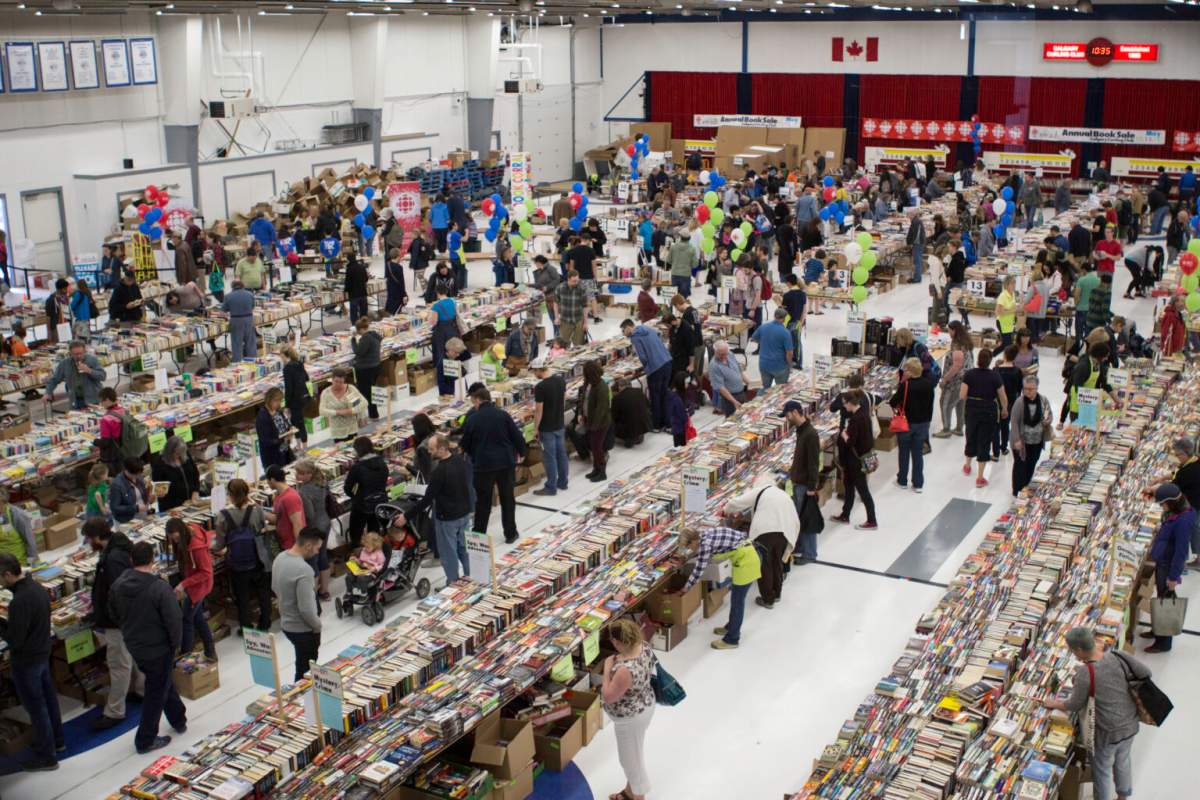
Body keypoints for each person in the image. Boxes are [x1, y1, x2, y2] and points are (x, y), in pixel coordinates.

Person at [1042, 627, 1151, 800]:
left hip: (1106, 732)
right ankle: (1123, 796)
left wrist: (1052, 703)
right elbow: (1146, 673)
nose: (1073, 654)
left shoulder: (1086, 672)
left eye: (1072, 651)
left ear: (1079, 649)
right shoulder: (1119, 655)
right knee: (1123, 760)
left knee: (1102, 771)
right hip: (1130, 723)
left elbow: (1075, 704)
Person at [110, 541, 186, 754]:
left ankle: (179, 718)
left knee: (160, 681)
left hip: (135, 645)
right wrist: (175, 644)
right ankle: (145, 739)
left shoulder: (117, 585)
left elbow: (113, 613)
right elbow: (174, 620)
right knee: (155, 691)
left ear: (132, 560)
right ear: (153, 561)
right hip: (159, 647)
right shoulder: (159, 587)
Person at [0, 553, 63, 770]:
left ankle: (47, 756)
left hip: (26, 661)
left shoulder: (19, 602)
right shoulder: (36, 588)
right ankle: (58, 741)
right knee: (48, 699)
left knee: (36, 707)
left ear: (8, 574)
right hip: (42, 653)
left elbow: (15, 640)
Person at [82, 519, 144, 731]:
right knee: (132, 656)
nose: (88, 543)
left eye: (89, 539)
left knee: (118, 664)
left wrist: (112, 615)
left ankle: (115, 711)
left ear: (97, 538)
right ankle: (142, 690)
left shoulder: (113, 558)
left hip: (117, 621)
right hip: (124, 619)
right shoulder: (117, 550)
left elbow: (120, 591)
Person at [460, 385, 527, 544]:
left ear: (477, 400)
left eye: (473, 402)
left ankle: (479, 536)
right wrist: (522, 453)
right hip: (505, 463)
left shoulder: (473, 419)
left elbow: (465, 444)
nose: (473, 405)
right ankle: (510, 533)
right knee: (507, 499)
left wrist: (475, 455)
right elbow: (516, 436)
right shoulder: (503, 415)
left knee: (483, 502)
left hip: (483, 466)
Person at [600, 619, 657, 800]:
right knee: (635, 751)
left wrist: (607, 668)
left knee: (630, 762)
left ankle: (638, 795)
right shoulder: (644, 646)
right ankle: (630, 793)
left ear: (617, 642)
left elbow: (608, 695)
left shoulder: (625, 669)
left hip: (629, 719)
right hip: (645, 705)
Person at [678, 525, 761, 650]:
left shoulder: (705, 546)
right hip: (748, 554)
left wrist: (686, 588)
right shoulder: (705, 534)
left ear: (694, 541)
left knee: (737, 603)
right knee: (736, 599)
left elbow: (698, 570)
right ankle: (730, 627)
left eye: (688, 546)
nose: (689, 549)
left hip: (747, 563)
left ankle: (732, 639)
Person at [724, 475, 798, 609]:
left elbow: (736, 503)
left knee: (764, 565)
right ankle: (777, 594)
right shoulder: (782, 494)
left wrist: (725, 510)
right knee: (777, 562)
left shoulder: (761, 490)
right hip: (785, 532)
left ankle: (768, 599)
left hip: (765, 532)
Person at [1138, 483, 1193, 654]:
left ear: (1171, 502)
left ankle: (1163, 642)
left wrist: (1173, 578)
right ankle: (1157, 630)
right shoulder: (1178, 512)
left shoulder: (1183, 520)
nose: (1161, 506)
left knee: (1166, 602)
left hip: (1168, 566)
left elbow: (1181, 551)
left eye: (1163, 503)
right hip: (1163, 561)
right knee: (1161, 598)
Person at [412, 434, 472, 583]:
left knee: (448, 553)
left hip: (447, 519)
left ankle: (453, 582)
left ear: (443, 448)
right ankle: (471, 577)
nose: (429, 452)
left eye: (432, 449)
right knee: (464, 548)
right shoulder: (459, 459)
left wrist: (406, 516)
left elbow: (427, 499)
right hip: (464, 513)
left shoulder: (439, 471)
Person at [215, 478, 272, 633]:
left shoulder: (222, 515)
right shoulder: (257, 510)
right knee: (263, 593)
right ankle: (265, 623)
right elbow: (263, 529)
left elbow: (219, 544)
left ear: (229, 495)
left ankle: (246, 627)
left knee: (242, 596)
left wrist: (213, 548)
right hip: (258, 558)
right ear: (247, 492)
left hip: (237, 563)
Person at [272, 528, 324, 681]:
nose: (317, 552)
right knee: (305, 674)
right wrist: (317, 626)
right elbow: (306, 609)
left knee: (300, 664)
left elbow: (274, 587)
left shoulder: (280, 558)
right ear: (308, 545)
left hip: (287, 624)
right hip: (303, 629)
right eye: (317, 548)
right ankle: (302, 701)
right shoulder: (304, 570)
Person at [165, 517, 217, 662]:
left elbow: (206, 572)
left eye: (175, 538)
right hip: (195, 587)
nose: (175, 541)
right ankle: (210, 650)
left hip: (198, 588)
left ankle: (185, 655)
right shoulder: (189, 530)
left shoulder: (196, 547)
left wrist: (184, 584)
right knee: (197, 617)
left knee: (187, 619)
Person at [830, 389, 878, 530]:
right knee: (849, 487)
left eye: (845, 404)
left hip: (855, 461)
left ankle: (872, 520)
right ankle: (845, 514)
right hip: (856, 459)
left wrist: (844, 435)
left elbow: (851, 442)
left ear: (851, 403)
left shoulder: (857, 419)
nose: (844, 406)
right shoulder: (864, 413)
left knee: (863, 490)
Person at [960, 348, 1008, 487]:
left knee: (971, 435)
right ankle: (980, 477)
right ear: (989, 361)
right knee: (984, 440)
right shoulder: (995, 376)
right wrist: (1004, 409)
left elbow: (962, 395)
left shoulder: (969, 374)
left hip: (972, 409)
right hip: (989, 410)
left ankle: (967, 465)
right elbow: (1002, 396)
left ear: (978, 360)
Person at [783, 400, 822, 565]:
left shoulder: (810, 434)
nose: (786, 418)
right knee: (798, 518)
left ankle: (810, 554)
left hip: (805, 485)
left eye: (787, 415)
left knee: (806, 519)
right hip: (799, 482)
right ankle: (799, 547)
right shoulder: (802, 431)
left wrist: (812, 487)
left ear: (794, 412)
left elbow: (813, 463)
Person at [891, 358, 934, 493]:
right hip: (923, 424)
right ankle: (918, 484)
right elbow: (930, 405)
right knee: (917, 454)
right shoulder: (929, 384)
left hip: (906, 423)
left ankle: (902, 480)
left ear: (909, 371)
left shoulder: (906, 385)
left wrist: (902, 382)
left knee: (903, 452)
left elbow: (893, 402)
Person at [621, 319, 673, 432]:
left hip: (655, 368)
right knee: (664, 393)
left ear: (629, 327)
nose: (623, 333)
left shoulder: (635, 337)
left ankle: (657, 425)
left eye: (623, 330)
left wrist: (645, 366)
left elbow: (643, 357)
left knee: (655, 396)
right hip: (667, 362)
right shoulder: (648, 329)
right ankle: (668, 424)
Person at [293, 460, 333, 599]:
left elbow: (309, 514)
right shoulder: (321, 482)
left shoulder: (304, 491)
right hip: (326, 522)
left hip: (315, 527)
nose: (296, 475)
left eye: (300, 473)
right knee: (323, 556)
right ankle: (325, 590)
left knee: (312, 559)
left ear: (309, 474)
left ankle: (314, 594)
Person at [1009, 376, 1053, 496]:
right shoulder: (1019, 402)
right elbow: (1014, 422)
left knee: (1031, 464)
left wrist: (1047, 421)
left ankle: (1026, 487)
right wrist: (1017, 439)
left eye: (1030, 389)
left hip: (1037, 441)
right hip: (1021, 442)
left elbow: (1050, 415)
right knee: (1020, 466)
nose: (1027, 391)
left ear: (1036, 388)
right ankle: (1017, 490)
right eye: (1025, 388)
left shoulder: (1043, 400)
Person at [531, 357, 568, 497]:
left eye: (535, 372)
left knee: (550, 457)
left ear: (539, 370)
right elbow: (563, 400)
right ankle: (563, 482)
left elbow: (539, 410)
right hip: (559, 424)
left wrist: (535, 429)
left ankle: (551, 487)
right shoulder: (560, 380)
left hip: (547, 428)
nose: (534, 375)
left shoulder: (540, 387)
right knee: (562, 454)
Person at [343, 437, 388, 549]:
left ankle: (357, 555)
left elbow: (347, 487)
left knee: (356, 532)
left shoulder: (357, 467)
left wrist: (355, 496)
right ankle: (376, 554)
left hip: (362, 504)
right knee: (374, 531)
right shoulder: (382, 462)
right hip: (379, 502)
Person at [425, 281, 462, 395]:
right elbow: (456, 314)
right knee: (453, 352)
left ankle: (443, 377)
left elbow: (433, 321)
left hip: (441, 332)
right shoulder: (452, 301)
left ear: (437, 292)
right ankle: (455, 373)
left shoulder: (436, 306)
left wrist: (427, 317)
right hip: (452, 329)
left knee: (441, 353)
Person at [46, 339, 104, 409]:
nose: (79, 356)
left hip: (94, 400)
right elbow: (54, 379)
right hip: (76, 401)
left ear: (84, 351)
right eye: (75, 354)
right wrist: (48, 392)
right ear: (70, 353)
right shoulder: (65, 364)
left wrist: (89, 370)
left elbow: (102, 376)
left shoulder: (92, 360)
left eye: (81, 353)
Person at [1068, 341, 1116, 422]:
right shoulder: (1083, 366)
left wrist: (1116, 399)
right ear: (1099, 355)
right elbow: (1078, 388)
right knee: (1079, 427)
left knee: (1088, 426)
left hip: (1089, 401)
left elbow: (1104, 382)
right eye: (1105, 356)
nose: (1106, 358)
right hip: (1078, 404)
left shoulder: (1098, 364)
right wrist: (1096, 399)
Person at [581, 360, 612, 482]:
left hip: (599, 423)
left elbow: (602, 409)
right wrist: (582, 413)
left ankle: (602, 471)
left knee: (597, 448)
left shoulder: (601, 387)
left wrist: (594, 426)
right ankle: (596, 469)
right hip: (590, 420)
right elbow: (584, 399)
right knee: (593, 447)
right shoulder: (589, 383)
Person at [152, 435, 201, 512]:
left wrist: (196, 491)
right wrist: (180, 503)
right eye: (177, 453)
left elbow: (195, 474)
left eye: (181, 453)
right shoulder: (159, 464)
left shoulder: (185, 455)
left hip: (191, 502)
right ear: (169, 451)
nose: (179, 456)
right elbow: (160, 492)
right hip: (173, 506)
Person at [319, 367, 368, 442]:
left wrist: (351, 410)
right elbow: (322, 411)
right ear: (331, 379)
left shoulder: (350, 389)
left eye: (341, 382)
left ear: (344, 380)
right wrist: (337, 412)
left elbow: (364, 403)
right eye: (336, 381)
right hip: (337, 430)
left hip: (352, 428)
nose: (338, 384)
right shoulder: (326, 393)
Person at [751, 307, 794, 390]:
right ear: (784, 319)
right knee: (780, 390)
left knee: (765, 388)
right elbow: (789, 352)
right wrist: (789, 364)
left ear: (774, 316)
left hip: (764, 364)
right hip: (779, 365)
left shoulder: (763, 327)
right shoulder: (785, 332)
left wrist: (763, 342)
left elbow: (754, 338)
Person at [350, 317, 383, 419]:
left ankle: (372, 414)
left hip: (366, 369)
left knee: (366, 392)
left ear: (360, 329)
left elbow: (359, 352)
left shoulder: (366, 338)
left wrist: (353, 340)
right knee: (372, 390)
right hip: (376, 366)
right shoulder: (375, 335)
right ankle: (374, 413)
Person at [993, 345, 1023, 457]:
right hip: (1011, 401)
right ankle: (1004, 447)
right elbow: (1020, 388)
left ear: (1004, 355)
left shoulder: (996, 370)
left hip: (996, 401)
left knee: (996, 425)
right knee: (1005, 425)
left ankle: (995, 449)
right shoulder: (1017, 371)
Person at [256, 387, 295, 469]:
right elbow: (265, 441)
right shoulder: (262, 417)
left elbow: (285, 424)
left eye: (280, 400)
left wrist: (290, 429)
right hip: (273, 456)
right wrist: (282, 439)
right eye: (276, 400)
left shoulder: (278, 411)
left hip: (285, 451)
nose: (278, 403)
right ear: (268, 400)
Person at [220, 279, 257, 363]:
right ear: (242, 285)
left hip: (236, 320)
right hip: (248, 319)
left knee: (237, 344)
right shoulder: (250, 294)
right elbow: (252, 307)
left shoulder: (228, 296)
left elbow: (222, 312)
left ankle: (237, 363)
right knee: (250, 342)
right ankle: (253, 361)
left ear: (232, 286)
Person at [708, 340, 748, 416]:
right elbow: (720, 387)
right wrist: (734, 401)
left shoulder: (730, 354)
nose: (724, 357)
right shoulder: (714, 366)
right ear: (715, 352)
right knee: (733, 420)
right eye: (721, 354)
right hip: (729, 399)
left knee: (745, 416)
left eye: (725, 354)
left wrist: (750, 383)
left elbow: (739, 371)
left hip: (741, 393)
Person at [280, 346, 311, 445]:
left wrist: (287, 405)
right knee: (298, 421)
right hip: (304, 397)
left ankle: (302, 446)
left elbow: (289, 388)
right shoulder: (299, 363)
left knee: (297, 423)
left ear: (286, 356)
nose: (281, 359)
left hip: (295, 400)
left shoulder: (287, 368)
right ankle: (301, 445)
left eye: (282, 357)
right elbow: (306, 378)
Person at [555, 270, 590, 346]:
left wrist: (586, 323)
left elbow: (585, 306)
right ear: (568, 279)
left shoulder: (582, 288)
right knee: (563, 344)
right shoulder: (560, 288)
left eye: (577, 280)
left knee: (579, 345)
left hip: (578, 320)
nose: (576, 283)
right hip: (565, 320)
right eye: (574, 281)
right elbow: (555, 303)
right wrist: (556, 317)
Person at [1073, 263, 1100, 344]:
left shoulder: (1081, 280)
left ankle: (1078, 349)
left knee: (1079, 332)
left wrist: (1076, 304)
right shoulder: (1098, 280)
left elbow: (1076, 295)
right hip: (1093, 310)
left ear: (1084, 270)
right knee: (1090, 334)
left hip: (1081, 309)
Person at [667, 371, 691, 447]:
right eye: (686, 383)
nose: (688, 385)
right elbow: (681, 414)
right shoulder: (676, 398)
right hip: (679, 428)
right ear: (681, 383)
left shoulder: (676, 394)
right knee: (681, 446)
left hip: (678, 426)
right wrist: (687, 413)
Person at [995, 275, 1018, 349]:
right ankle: (991, 355)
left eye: (1015, 283)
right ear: (1007, 285)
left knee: (1007, 344)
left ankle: (992, 356)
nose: (1014, 285)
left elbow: (1013, 307)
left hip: (1010, 322)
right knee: (1007, 345)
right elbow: (998, 312)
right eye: (1012, 283)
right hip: (1002, 322)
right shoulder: (1003, 296)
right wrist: (1013, 311)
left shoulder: (1013, 294)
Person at [906, 211, 926, 283]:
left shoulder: (916, 222)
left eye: (908, 215)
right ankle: (917, 277)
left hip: (917, 243)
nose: (908, 217)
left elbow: (915, 234)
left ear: (912, 215)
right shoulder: (916, 221)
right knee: (918, 260)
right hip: (919, 243)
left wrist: (911, 243)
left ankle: (917, 278)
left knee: (917, 261)